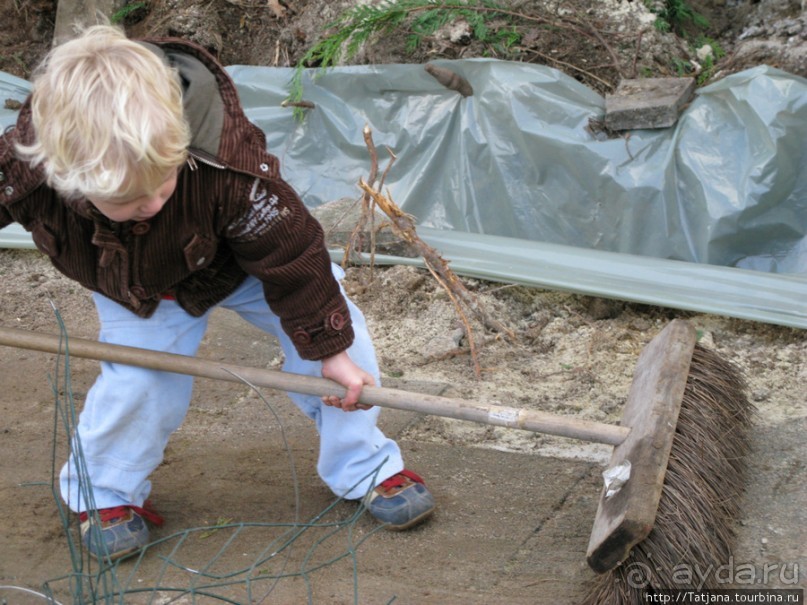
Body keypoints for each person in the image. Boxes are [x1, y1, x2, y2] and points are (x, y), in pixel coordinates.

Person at [0, 24, 435, 561]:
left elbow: (292, 258)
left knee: (343, 347)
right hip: (135, 287)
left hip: (242, 265)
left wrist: (330, 349)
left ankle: (364, 464)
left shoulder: (226, 167)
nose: (153, 205)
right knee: (140, 379)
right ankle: (106, 493)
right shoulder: (25, 168)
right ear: (66, 177)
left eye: (162, 186)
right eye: (131, 202)